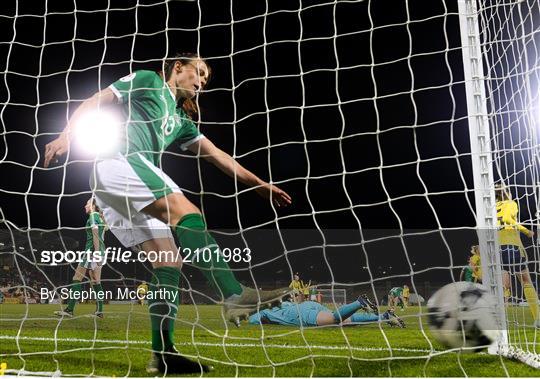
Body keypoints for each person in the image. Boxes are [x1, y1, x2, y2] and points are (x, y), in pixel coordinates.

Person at [43, 52, 292, 374]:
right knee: (187, 212)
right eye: (198, 72)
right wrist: (67, 134)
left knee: (168, 261)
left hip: (123, 182)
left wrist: (260, 185)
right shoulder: (149, 81)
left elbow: (217, 155)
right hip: (120, 162)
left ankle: (164, 355)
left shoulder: (181, 121)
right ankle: (233, 293)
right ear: (178, 67)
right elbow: (95, 100)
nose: (201, 81)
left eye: (205, 78)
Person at [54, 198, 107, 318]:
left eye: (87, 203)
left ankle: (69, 310)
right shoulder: (100, 217)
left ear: (93, 206)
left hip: (92, 252)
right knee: (95, 281)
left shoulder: (93, 216)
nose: (85, 205)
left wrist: (96, 253)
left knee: (77, 277)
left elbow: (95, 233)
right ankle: (99, 312)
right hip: (101, 251)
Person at [495, 184, 539, 326]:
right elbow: (508, 219)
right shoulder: (511, 203)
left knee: (503, 287)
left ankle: (499, 321)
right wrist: (527, 231)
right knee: (526, 281)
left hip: (497, 247)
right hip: (511, 246)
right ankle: (538, 318)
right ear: (507, 192)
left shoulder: (492, 206)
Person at [248, 295, 404, 328]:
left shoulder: (263, 310)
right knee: (346, 321)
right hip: (308, 305)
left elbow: (253, 320)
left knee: (334, 319)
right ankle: (384, 316)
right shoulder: (282, 302)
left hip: (299, 314)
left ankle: (359, 302)